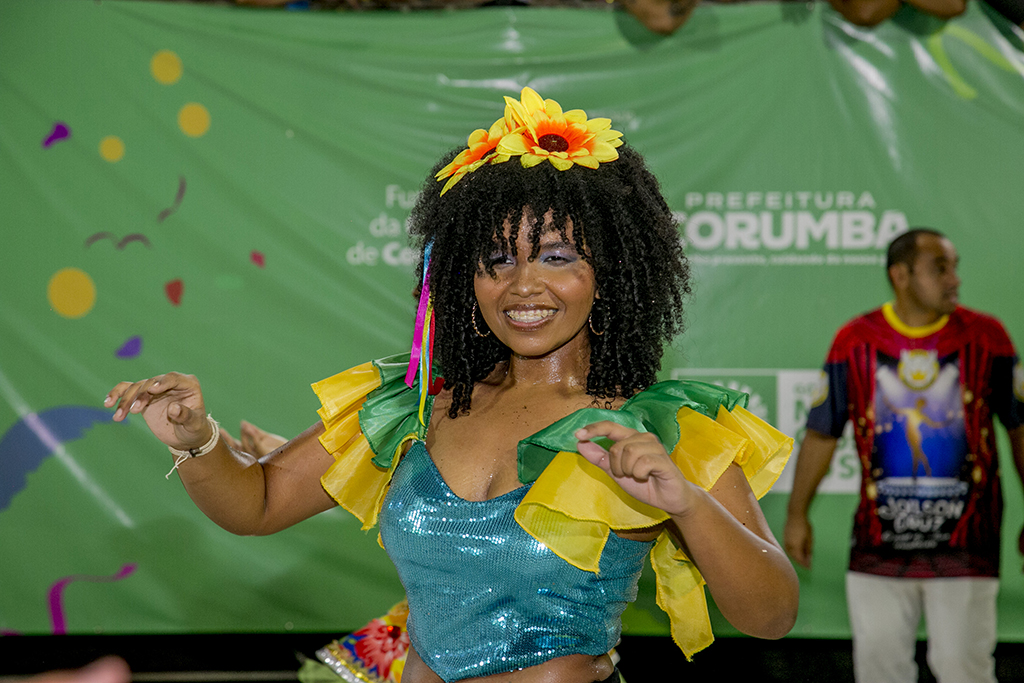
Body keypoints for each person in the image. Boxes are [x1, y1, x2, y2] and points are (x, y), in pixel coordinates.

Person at [105, 87, 798, 683]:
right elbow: (256, 502)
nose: (523, 285)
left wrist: (687, 503)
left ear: (610, 272)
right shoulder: (412, 405)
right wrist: (194, 439)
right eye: (496, 259)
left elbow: (771, 615)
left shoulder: (660, 432)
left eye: (556, 257)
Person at [784, 228, 1024, 683]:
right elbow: (821, 434)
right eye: (940, 268)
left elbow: (1019, 429)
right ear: (901, 275)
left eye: (955, 267)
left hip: (967, 545)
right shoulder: (854, 340)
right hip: (878, 547)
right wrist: (797, 515)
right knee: (879, 671)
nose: (954, 279)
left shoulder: (987, 337)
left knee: (964, 670)